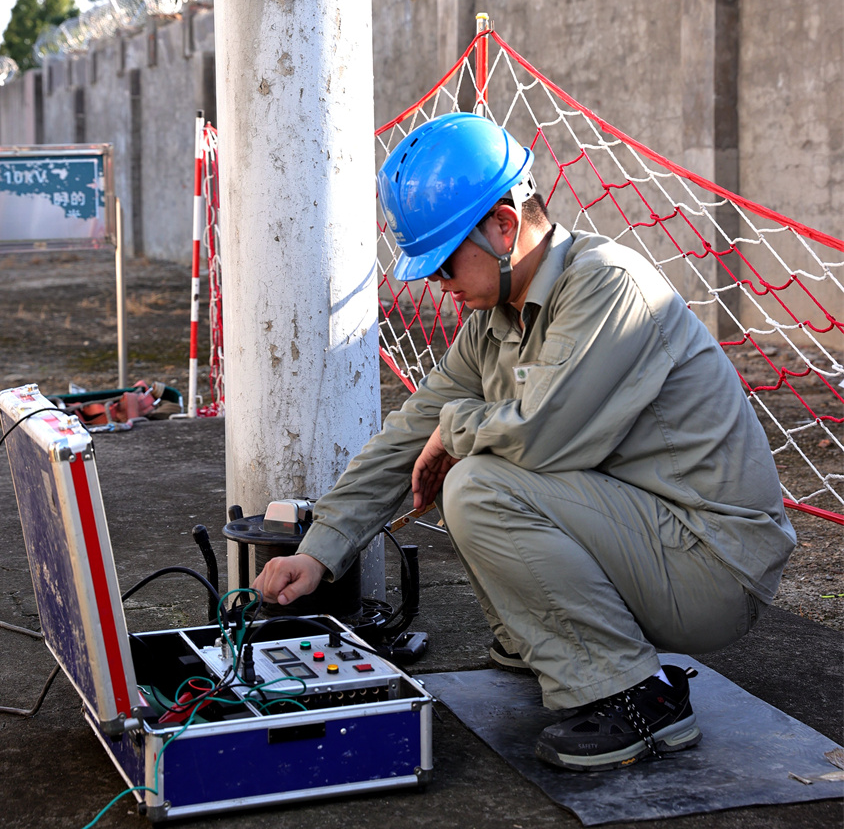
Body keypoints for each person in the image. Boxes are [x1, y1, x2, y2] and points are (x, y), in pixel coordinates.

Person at [254, 114, 796, 772]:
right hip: (658, 538)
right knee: (472, 469)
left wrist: (452, 434)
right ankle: (550, 638)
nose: (437, 284)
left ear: (504, 226)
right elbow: (410, 432)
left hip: (713, 563)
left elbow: (540, 438)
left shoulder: (607, 286)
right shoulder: (495, 319)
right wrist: (321, 549)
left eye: (444, 262)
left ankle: (636, 698)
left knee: (479, 484)